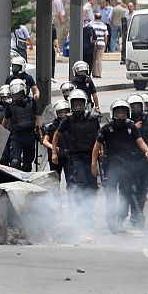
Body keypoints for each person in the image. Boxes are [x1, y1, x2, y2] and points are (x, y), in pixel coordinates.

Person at [91, 99, 148, 234]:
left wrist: (147, 151)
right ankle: (111, 219)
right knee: (111, 195)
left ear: (127, 113)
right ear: (113, 113)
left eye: (123, 113)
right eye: (118, 113)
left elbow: (141, 142)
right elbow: (96, 146)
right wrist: (93, 164)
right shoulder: (107, 128)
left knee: (126, 194)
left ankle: (120, 220)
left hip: (127, 166)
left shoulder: (131, 127)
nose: (120, 115)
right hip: (111, 166)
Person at [52, 89, 100, 227]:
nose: (78, 107)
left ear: (85, 104)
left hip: (91, 157)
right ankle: (81, 215)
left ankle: (88, 213)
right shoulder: (67, 120)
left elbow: (99, 137)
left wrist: (101, 152)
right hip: (76, 157)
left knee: (92, 187)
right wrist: (54, 152)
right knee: (81, 184)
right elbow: (56, 135)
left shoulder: (93, 119)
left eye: (80, 104)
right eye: (75, 105)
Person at [128, 94, 148, 229]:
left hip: (146, 158)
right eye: (133, 107)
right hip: (130, 159)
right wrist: (133, 128)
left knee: (143, 189)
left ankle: (138, 211)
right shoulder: (126, 123)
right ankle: (137, 213)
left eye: (138, 106)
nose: (135, 109)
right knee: (132, 188)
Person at [1, 79, 40, 171]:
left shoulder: (31, 102)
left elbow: (36, 118)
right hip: (16, 136)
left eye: (18, 94)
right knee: (15, 162)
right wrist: (2, 134)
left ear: (23, 92)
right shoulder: (10, 106)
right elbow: (5, 121)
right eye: (14, 95)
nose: (16, 97)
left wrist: (40, 133)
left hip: (30, 135)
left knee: (28, 164)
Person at [42, 100, 70, 184]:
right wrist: (53, 147)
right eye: (61, 112)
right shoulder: (52, 127)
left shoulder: (71, 124)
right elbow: (45, 141)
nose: (63, 114)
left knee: (71, 180)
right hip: (56, 156)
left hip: (68, 155)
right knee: (55, 180)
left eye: (65, 112)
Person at [89, 12, 108, 77]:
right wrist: (105, 44)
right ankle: (98, 74)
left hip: (93, 44)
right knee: (99, 59)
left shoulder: (91, 25)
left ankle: (93, 73)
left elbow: (90, 35)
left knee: (93, 58)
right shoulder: (104, 26)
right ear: (100, 18)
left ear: (94, 17)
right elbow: (106, 36)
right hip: (101, 43)